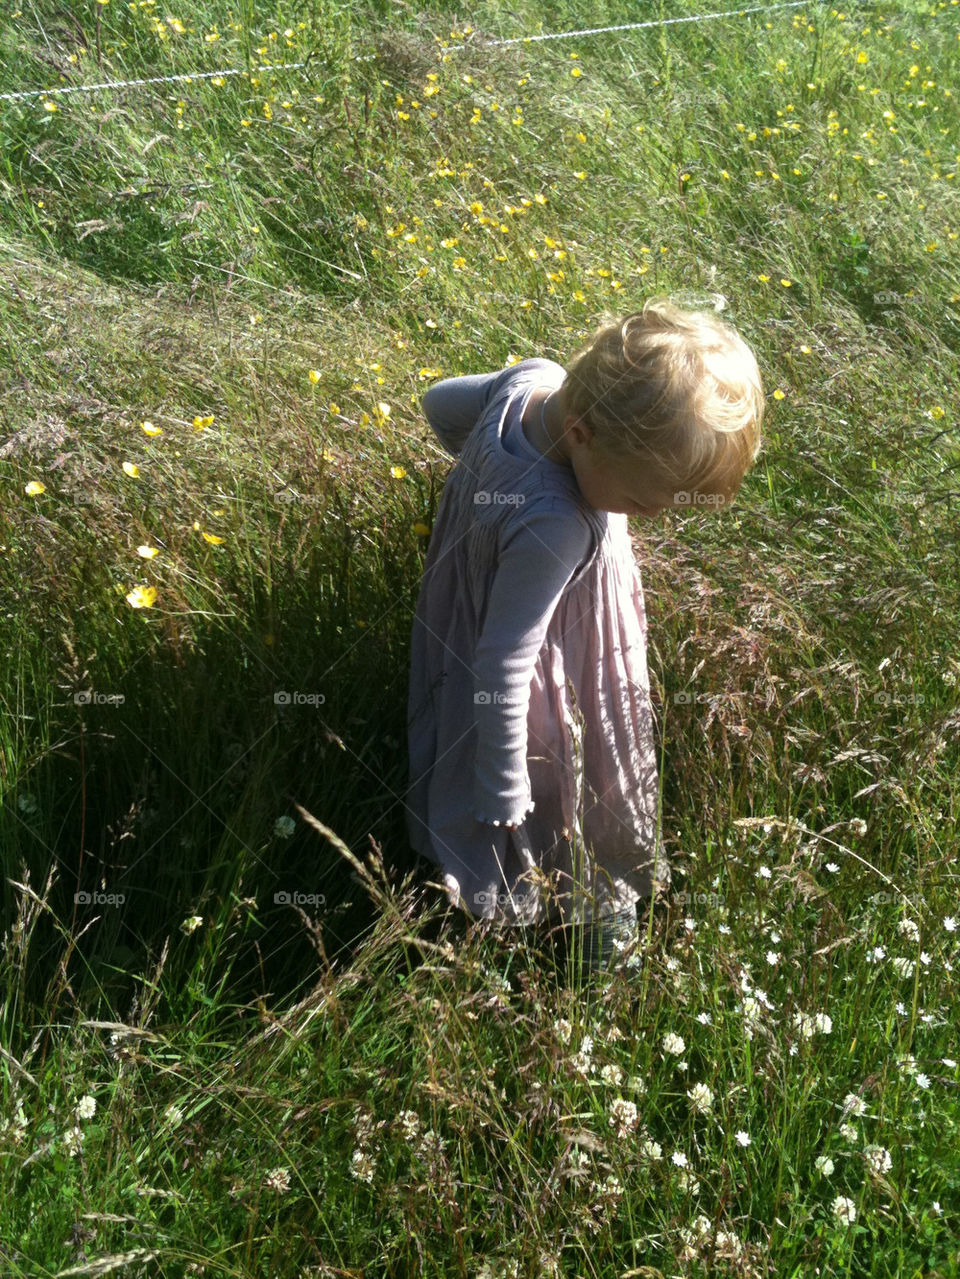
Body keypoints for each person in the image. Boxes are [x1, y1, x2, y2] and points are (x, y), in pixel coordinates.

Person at [404, 297, 764, 970]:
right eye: (641, 503)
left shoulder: (528, 382)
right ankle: (599, 935)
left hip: (465, 617)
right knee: (587, 791)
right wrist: (503, 779)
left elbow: (438, 405)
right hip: (556, 678)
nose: (654, 519)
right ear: (581, 435)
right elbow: (506, 662)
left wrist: (482, 473)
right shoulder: (556, 522)